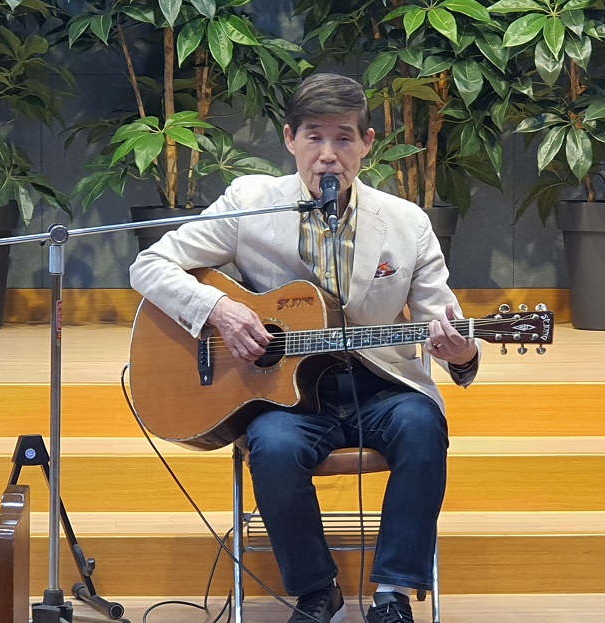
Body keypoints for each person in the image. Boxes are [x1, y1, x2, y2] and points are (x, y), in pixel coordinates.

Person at [130, 72, 480, 623]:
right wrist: (218, 309)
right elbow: (149, 265)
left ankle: (392, 593)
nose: (328, 154)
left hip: (381, 387)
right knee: (271, 446)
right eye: (314, 137)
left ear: (367, 143)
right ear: (290, 139)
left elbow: (444, 322)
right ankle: (317, 591)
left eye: (344, 137)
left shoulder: (407, 223)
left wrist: (461, 354)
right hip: (280, 394)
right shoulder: (250, 203)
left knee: (422, 426)